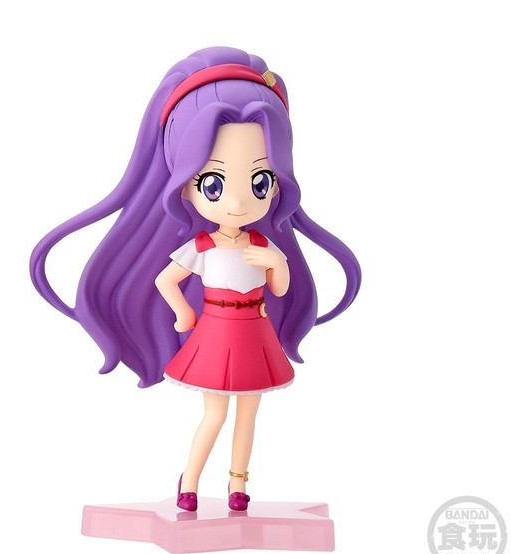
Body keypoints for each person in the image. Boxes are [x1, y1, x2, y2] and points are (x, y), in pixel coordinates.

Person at [30, 47, 361, 512]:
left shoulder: (263, 245)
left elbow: (280, 290)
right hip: (216, 334)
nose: (238, 203)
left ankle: (238, 486)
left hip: (255, 332)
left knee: (249, 414)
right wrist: (185, 313)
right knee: (215, 413)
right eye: (214, 184)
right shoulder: (201, 247)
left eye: (261, 181)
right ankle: (189, 482)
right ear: (185, 183)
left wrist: (279, 264)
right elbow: (166, 281)